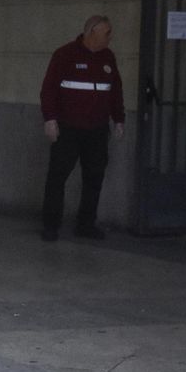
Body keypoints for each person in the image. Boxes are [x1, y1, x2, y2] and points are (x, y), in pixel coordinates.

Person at [39, 14, 125, 241]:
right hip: (68, 128)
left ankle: (86, 224)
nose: (110, 37)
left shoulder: (108, 58)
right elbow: (48, 89)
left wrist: (119, 119)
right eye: (107, 33)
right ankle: (51, 225)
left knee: (94, 177)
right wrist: (50, 119)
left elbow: (115, 90)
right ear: (91, 33)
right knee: (58, 176)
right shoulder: (65, 55)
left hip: (97, 129)